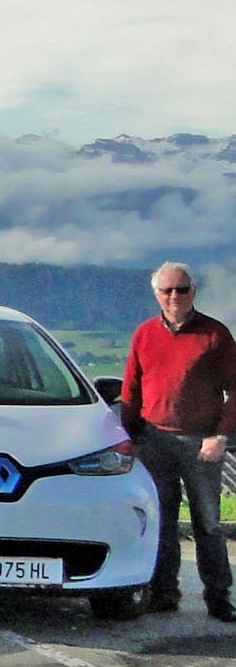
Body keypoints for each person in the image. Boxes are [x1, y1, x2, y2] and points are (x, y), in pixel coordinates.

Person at [119, 261, 236, 620]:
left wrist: (220, 436)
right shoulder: (144, 334)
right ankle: (163, 593)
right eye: (167, 290)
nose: (174, 297)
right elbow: (131, 387)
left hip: (202, 443)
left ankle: (218, 597)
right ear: (156, 293)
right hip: (154, 441)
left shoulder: (215, 335)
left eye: (181, 290)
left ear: (193, 293)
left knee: (209, 524)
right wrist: (127, 435)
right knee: (162, 521)